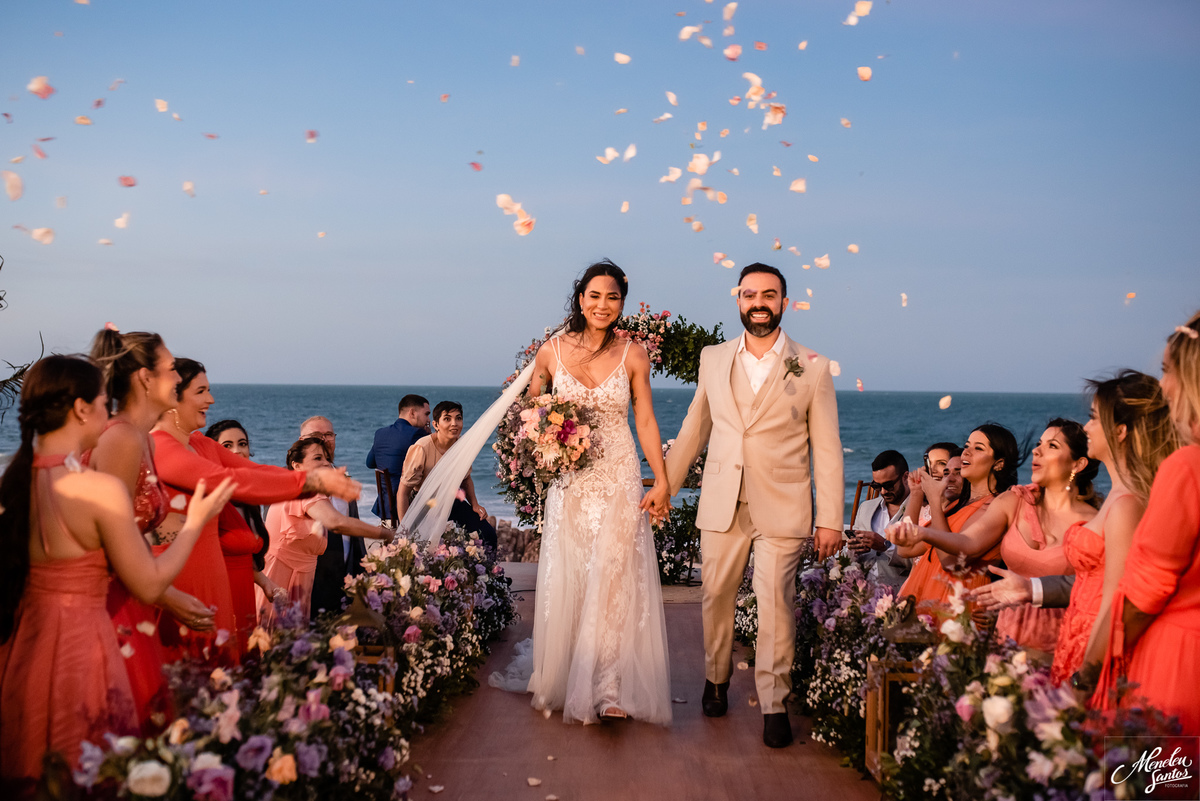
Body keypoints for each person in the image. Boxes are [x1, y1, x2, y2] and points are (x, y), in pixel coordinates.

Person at [0, 356, 234, 791]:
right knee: (90, 769)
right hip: (83, 649)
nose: (110, 416)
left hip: (23, 647)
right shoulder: (96, 488)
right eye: (105, 403)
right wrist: (197, 522)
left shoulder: (13, 482)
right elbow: (147, 581)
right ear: (81, 409)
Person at [664, 262, 845, 749]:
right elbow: (695, 427)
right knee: (716, 597)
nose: (758, 302)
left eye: (769, 294)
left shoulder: (812, 365)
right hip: (722, 501)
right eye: (749, 294)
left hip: (783, 507)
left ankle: (773, 704)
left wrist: (830, 518)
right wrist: (666, 485)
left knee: (776, 607)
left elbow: (826, 448)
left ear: (785, 302)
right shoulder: (713, 358)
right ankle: (716, 679)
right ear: (738, 300)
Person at [490, 259, 673, 726]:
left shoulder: (634, 354)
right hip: (571, 479)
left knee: (614, 579)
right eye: (595, 296)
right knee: (571, 572)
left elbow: (646, 421)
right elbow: (529, 414)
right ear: (580, 298)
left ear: (622, 304)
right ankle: (568, 670)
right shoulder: (551, 351)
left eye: (612, 297)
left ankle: (609, 687)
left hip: (619, 474)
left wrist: (663, 478)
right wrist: (546, 440)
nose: (603, 305)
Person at [150, 362, 365, 660]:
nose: (211, 399)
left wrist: (307, 480)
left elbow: (254, 470)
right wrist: (311, 480)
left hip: (213, 572)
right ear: (173, 397)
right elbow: (231, 482)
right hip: (180, 574)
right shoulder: (160, 447)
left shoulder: (200, 444)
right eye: (201, 391)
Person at [970, 374, 1175, 683]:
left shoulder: (1126, 503)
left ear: (1120, 432)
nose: (1087, 426)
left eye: (1094, 418)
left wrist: (1087, 675)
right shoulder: (1117, 497)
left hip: (1092, 647)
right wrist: (1031, 589)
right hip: (1073, 635)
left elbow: (1118, 599)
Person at [85, 327, 213, 728]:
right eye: (172, 369)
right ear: (145, 378)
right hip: (114, 601)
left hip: (139, 592)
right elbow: (110, 544)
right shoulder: (120, 439)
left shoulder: (142, 439)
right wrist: (168, 596)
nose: (178, 378)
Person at [892, 421, 1099, 658]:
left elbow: (952, 562)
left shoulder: (1094, 521)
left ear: (1078, 463)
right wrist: (920, 503)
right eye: (1039, 443)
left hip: (1057, 636)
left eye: (1051, 445)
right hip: (1006, 632)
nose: (1036, 450)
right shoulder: (1011, 501)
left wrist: (931, 508)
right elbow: (909, 549)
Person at [1092, 312, 1200, 734]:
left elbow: (1142, 595)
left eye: (1167, 371)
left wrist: (1089, 677)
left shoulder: (1188, 467)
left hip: (1175, 662)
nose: (1164, 388)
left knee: (1151, 787)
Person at [261, 437, 392, 625]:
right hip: (281, 577)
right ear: (296, 465)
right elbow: (336, 522)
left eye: (326, 458)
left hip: (300, 579)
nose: (326, 463)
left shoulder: (299, 487)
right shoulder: (305, 489)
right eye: (317, 458)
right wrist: (386, 534)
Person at [891, 423, 1021, 613]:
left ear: (999, 463)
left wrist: (935, 501)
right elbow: (905, 548)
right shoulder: (957, 506)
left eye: (978, 448)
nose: (966, 453)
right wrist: (917, 493)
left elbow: (951, 562)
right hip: (927, 595)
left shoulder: (996, 505)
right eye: (967, 446)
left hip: (959, 607)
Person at [204, 419, 287, 650]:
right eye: (227, 445)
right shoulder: (210, 498)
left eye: (242, 444)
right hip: (217, 597)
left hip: (244, 597)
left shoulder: (249, 497)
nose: (237, 451)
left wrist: (266, 583)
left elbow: (243, 558)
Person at [398, 401, 497, 549]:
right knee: (431, 546)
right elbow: (403, 493)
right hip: (425, 506)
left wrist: (475, 504)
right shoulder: (421, 448)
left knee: (488, 534)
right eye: (447, 419)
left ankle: (486, 572)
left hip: (452, 502)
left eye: (458, 418)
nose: (454, 424)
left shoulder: (462, 446)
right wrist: (405, 529)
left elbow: (466, 479)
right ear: (436, 424)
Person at [300, 415, 370, 618]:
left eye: (328, 434)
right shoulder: (290, 483)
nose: (323, 439)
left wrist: (363, 571)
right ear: (300, 441)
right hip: (308, 580)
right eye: (316, 435)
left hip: (345, 575)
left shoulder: (343, 479)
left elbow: (353, 529)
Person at [849, 450, 914, 591]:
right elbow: (850, 557)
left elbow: (921, 562)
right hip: (863, 594)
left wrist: (886, 546)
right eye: (877, 486)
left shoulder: (920, 510)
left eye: (889, 485)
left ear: (905, 477)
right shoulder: (866, 508)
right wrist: (854, 549)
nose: (883, 491)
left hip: (900, 593)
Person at [366, 394, 430, 518]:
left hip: (384, 505)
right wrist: (430, 438)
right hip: (405, 505)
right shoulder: (417, 434)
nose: (428, 419)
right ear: (412, 413)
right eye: (426, 414)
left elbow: (370, 463)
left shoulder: (380, 433)